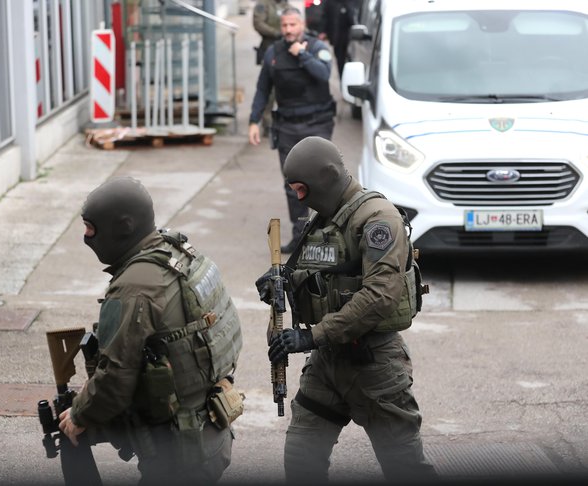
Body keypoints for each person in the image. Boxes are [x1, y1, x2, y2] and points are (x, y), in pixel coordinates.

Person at [255, 137, 437, 483]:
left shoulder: (378, 220)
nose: (299, 198)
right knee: (301, 460)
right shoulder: (323, 219)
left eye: (301, 189)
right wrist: (281, 280)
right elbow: (322, 274)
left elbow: (379, 296)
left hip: (375, 366)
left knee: (406, 469)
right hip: (327, 364)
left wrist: (311, 336)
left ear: (326, 176)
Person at [58, 176, 243, 485]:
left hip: (180, 455)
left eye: (91, 227)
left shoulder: (133, 289)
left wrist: (78, 416)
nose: (86, 236)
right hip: (210, 430)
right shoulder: (179, 252)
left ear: (123, 226)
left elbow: (115, 379)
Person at [248, 7, 335, 254]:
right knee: (293, 184)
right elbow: (262, 89)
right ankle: (300, 238)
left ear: (302, 25)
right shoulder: (274, 53)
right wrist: (254, 121)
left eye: (292, 25)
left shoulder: (317, 47)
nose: (287, 30)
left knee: (322, 182)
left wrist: (303, 56)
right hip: (287, 125)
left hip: (317, 122)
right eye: (284, 25)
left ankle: (326, 237)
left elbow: (324, 74)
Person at [252, 0, 290, 134]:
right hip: (270, 47)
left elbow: (294, 20)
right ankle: (267, 121)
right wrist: (275, 33)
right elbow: (258, 23)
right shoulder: (264, 4)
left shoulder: (285, 4)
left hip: (286, 49)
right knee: (269, 88)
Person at [319, 0, 361, 80]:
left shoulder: (351, 3)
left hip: (350, 37)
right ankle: (342, 79)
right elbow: (325, 16)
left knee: (351, 60)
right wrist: (323, 31)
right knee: (340, 60)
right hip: (337, 37)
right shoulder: (330, 2)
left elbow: (354, 19)